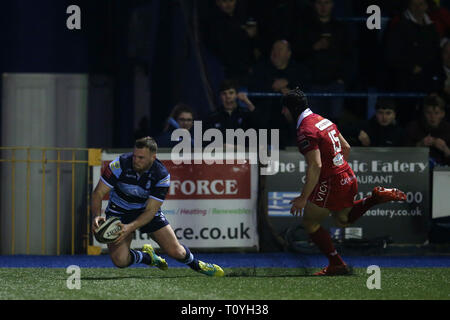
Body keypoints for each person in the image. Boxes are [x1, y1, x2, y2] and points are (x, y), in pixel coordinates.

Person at [283, 88, 406, 276]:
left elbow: (315, 165)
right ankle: (374, 198)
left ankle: (336, 263)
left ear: (290, 109)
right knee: (343, 219)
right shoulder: (321, 119)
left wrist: (303, 197)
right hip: (346, 174)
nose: (283, 112)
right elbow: (346, 146)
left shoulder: (305, 130)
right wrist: (338, 169)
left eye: (284, 109)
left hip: (332, 181)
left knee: (310, 222)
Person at [91, 136, 224, 276]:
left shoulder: (161, 175)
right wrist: (96, 216)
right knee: (120, 261)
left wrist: (129, 227)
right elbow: (98, 193)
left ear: (153, 157)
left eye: (141, 158)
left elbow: (150, 211)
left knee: (177, 252)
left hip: (145, 212)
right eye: (135, 156)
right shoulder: (119, 164)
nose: (136, 160)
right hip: (119, 212)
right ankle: (147, 257)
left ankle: (197, 265)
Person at [290, 0, 352, 121]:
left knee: (334, 123)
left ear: (333, 4)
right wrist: (313, 47)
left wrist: (343, 78)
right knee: (313, 123)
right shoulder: (305, 27)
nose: (323, 7)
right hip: (312, 84)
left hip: (335, 83)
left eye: (327, 3)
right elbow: (296, 53)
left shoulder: (340, 28)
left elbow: (349, 55)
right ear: (314, 5)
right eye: (320, 3)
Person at [406, 95, 450, 166]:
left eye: (436, 113)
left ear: (442, 114)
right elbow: (403, 155)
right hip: (418, 170)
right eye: (429, 113)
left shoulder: (448, 130)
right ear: (424, 113)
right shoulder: (413, 128)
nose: (432, 117)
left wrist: (445, 149)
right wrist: (419, 145)